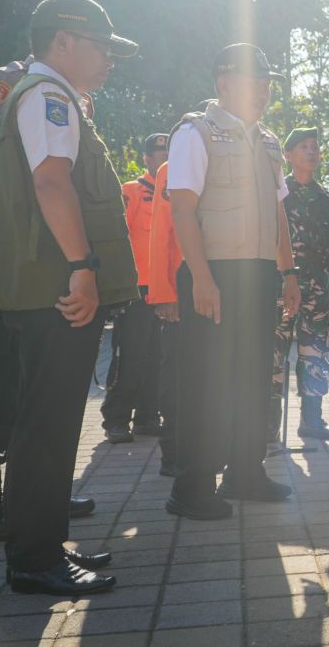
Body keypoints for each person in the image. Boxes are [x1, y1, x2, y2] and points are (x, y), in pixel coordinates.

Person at [0, 0, 140, 594]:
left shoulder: (48, 96)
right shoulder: (48, 97)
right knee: (45, 426)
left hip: (46, 286)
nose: (109, 59)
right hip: (57, 287)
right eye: (102, 47)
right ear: (63, 41)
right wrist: (82, 266)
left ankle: (43, 545)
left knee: (47, 422)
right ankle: (34, 558)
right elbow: (52, 183)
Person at [0, 52, 97, 543]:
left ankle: (35, 495)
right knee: (2, 370)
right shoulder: (5, 83)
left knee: (45, 375)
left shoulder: (72, 93)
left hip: (56, 255)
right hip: (7, 252)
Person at [166, 43, 301, 520]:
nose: (264, 90)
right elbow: (182, 208)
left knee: (250, 378)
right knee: (206, 381)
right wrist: (201, 277)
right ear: (224, 84)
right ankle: (192, 485)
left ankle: (246, 473)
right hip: (215, 273)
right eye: (253, 81)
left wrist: (287, 272)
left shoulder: (266, 141)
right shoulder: (195, 132)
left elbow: (278, 211)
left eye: (267, 82)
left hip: (260, 274)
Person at [272, 127, 329, 443]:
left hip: (317, 286)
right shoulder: (277, 193)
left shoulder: (327, 199)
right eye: (304, 146)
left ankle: (312, 421)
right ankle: (267, 424)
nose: (311, 151)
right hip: (279, 284)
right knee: (273, 352)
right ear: (288, 156)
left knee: (314, 353)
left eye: (315, 146)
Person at [101, 133, 169, 443]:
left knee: (159, 357)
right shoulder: (130, 192)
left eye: (170, 150)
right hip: (136, 290)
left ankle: (146, 417)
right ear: (147, 158)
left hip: (166, 290)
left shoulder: (176, 193)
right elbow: (117, 240)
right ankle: (116, 418)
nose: (165, 155)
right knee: (130, 356)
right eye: (159, 151)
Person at [146, 158, 183, 477]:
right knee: (177, 376)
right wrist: (163, 295)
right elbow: (160, 234)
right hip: (180, 294)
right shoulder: (172, 169)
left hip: (222, 292)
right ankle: (173, 452)